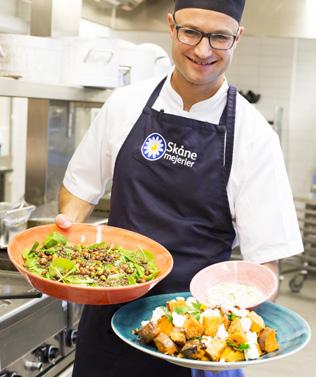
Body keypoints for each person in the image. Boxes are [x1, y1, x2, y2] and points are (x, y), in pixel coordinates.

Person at [56, 1, 303, 376]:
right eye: (191, 32)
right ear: (171, 27)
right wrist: (65, 239)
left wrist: (234, 319)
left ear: (239, 37)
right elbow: (79, 188)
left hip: (198, 341)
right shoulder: (125, 105)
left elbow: (264, 264)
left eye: (220, 37)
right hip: (108, 323)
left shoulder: (255, 138)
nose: (203, 51)